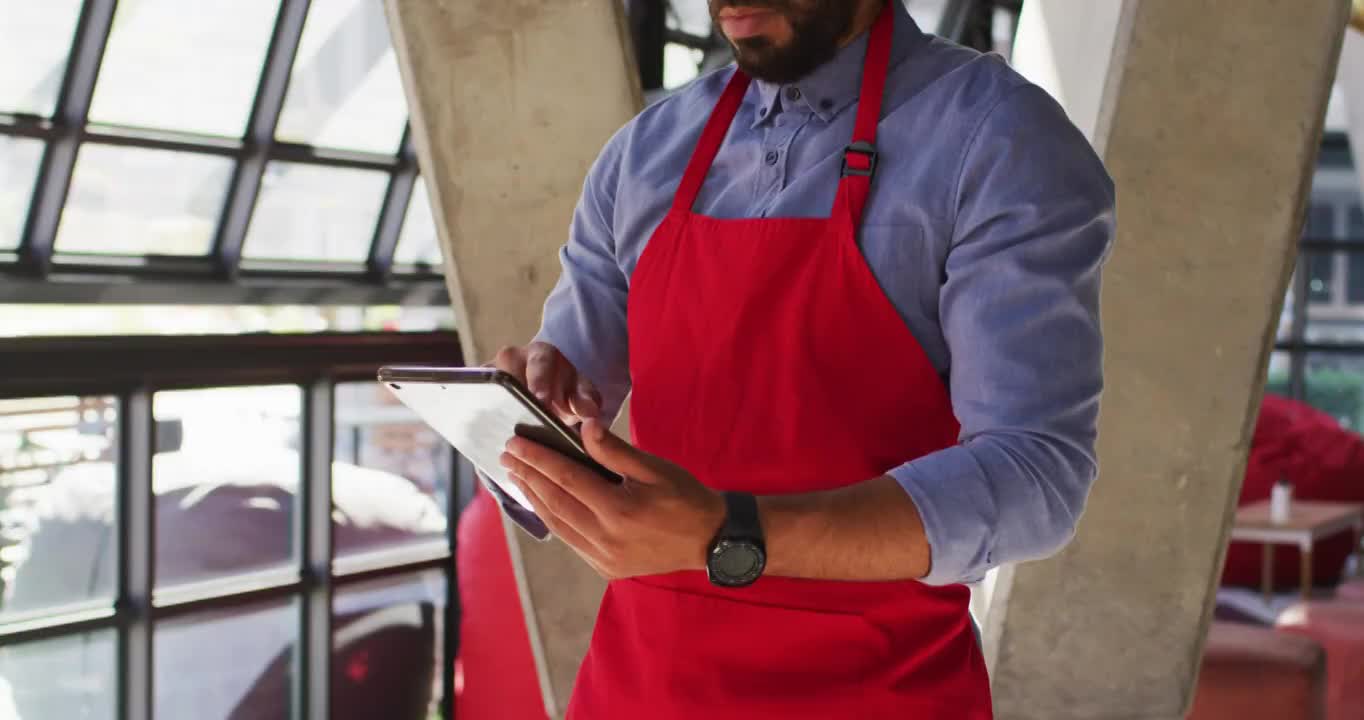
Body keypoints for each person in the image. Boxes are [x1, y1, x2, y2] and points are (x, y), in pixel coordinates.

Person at [491, 0, 1115, 716]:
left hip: (878, 693)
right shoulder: (642, 154)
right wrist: (527, 432)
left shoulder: (998, 139)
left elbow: (1037, 476)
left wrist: (733, 535)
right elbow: (568, 409)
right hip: (640, 690)